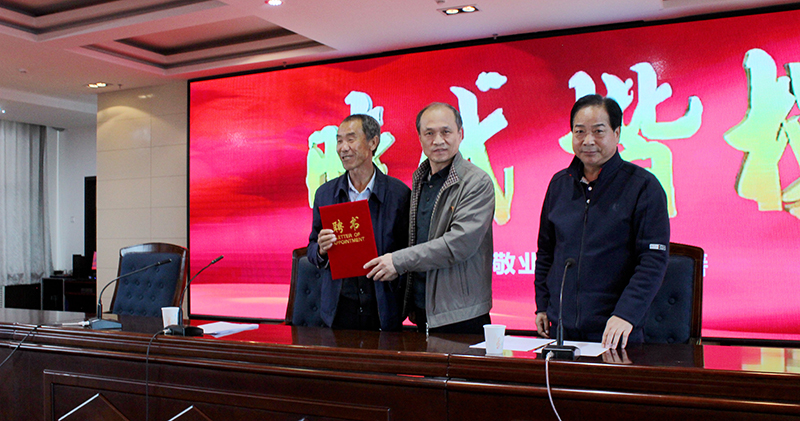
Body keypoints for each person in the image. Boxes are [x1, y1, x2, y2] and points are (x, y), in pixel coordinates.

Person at [534, 94, 670, 348]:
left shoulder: (643, 187)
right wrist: (542, 305)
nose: (588, 141)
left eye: (598, 131)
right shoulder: (559, 185)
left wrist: (626, 314)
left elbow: (652, 261)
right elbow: (546, 252)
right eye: (579, 132)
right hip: (561, 330)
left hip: (616, 331)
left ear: (617, 133)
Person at [365, 102, 494, 334]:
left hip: (461, 313)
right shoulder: (420, 179)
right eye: (429, 133)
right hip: (423, 310)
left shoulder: (476, 182)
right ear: (420, 138)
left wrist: (398, 261)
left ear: (460, 134)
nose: (438, 140)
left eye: (446, 132)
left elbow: (458, 244)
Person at [307, 114, 410, 331]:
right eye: (339, 141)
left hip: (383, 308)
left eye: (351, 139)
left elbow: (410, 252)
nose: (343, 148)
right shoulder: (325, 194)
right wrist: (322, 250)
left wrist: (396, 266)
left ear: (373, 142)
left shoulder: (399, 194)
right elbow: (312, 249)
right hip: (339, 308)